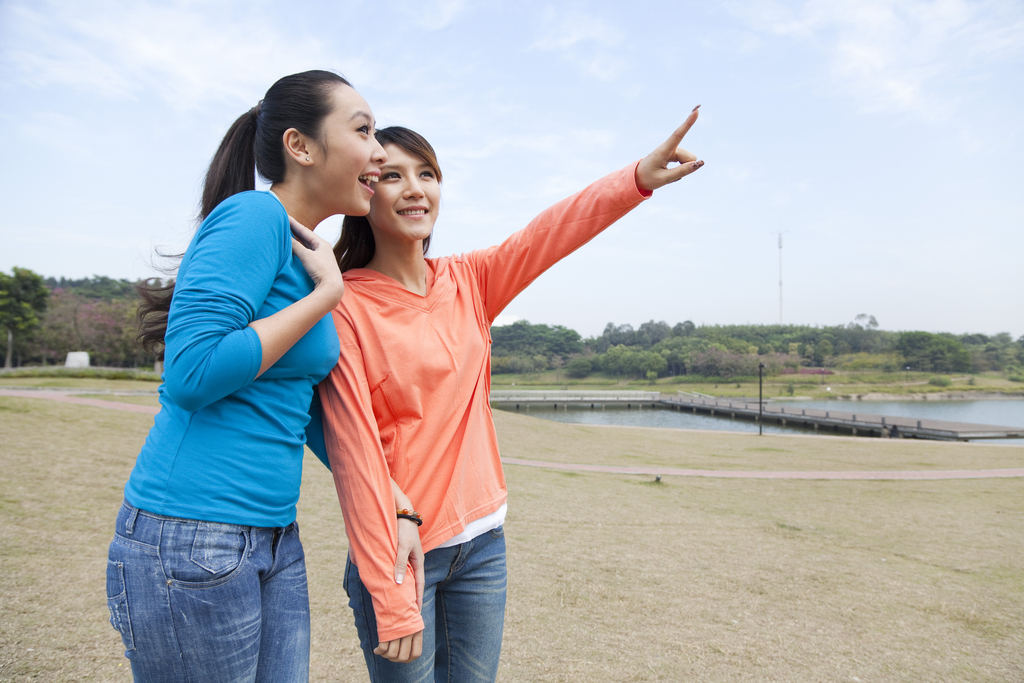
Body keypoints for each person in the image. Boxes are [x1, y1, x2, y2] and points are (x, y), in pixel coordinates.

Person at [313, 109, 704, 681]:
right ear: (364, 192)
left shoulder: (470, 280)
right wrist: (394, 599)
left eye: (427, 173)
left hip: (483, 543)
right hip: (401, 553)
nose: (416, 189)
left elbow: (551, 231)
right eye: (393, 176)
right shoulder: (344, 303)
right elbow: (352, 449)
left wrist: (637, 178)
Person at [106, 70, 423, 683]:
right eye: (363, 130)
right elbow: (191, 373)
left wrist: (396, 504)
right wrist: (327, 293)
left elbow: (304, 412)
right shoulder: (254, 217)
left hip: (273, 537)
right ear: (300, 148)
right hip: (190, 532)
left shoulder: (305, 252)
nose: (379, 150)